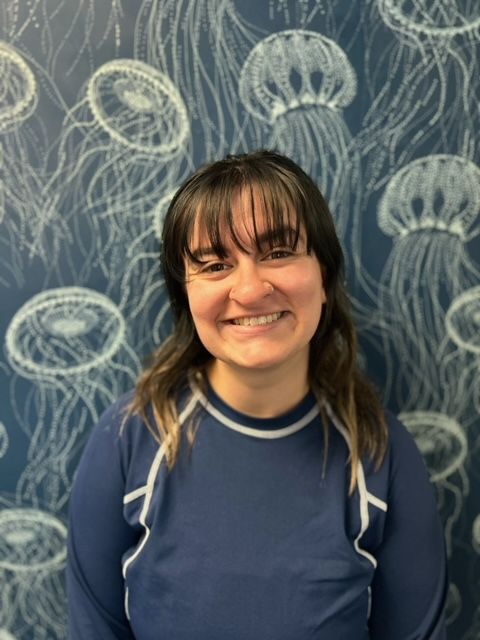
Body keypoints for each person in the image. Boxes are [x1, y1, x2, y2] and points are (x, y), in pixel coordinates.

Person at [67, 150, 448, 639]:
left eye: (278, 252)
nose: (249, 290)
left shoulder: (380, 449)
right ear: (185, 294)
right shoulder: (130, 436)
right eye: (214, 263)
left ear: (325, 277)